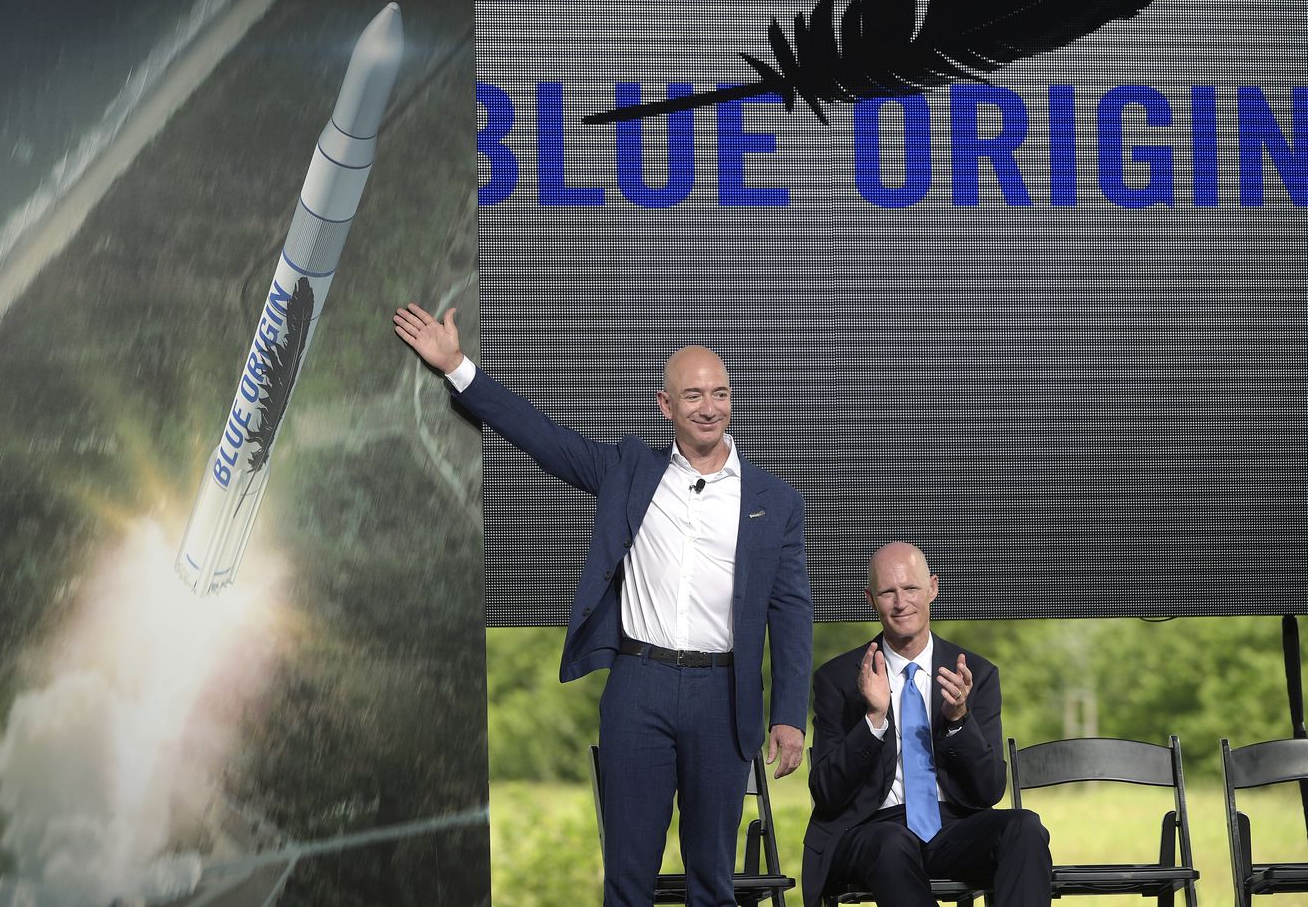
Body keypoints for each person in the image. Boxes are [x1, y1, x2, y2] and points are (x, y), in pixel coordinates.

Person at [393, 303, 813, 907]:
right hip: (638, 687)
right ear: (665, 407)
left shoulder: (775, 500)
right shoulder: (629, 469)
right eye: (692, 395)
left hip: (723, 697)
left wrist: (790, 715)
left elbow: (792, 614)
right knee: (627, 878)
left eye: (719, 393)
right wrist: (457, 366)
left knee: (714, 882)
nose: (709, 407)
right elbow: (543, 438)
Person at [803, 541, 1051, 907]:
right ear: (871, 600)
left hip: (951, 825)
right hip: (869, 830)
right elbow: (826, 794)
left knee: (1024, 827)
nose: (901, 602)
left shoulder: (975, 674)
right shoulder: (839, 678)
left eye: (911, 588)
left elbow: (989, 791)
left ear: (933, 588)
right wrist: (873, 720)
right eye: (888, 592)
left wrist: (958, 721)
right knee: (892, 841)